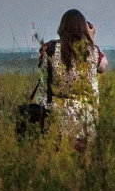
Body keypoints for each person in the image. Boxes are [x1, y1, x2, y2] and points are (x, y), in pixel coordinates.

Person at [36, 8, 108, 151]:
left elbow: (41, 65)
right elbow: (102, 67)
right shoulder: (90, 50)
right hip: (85, 116)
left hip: (54, 113)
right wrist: (91, 38)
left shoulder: (49, 48)